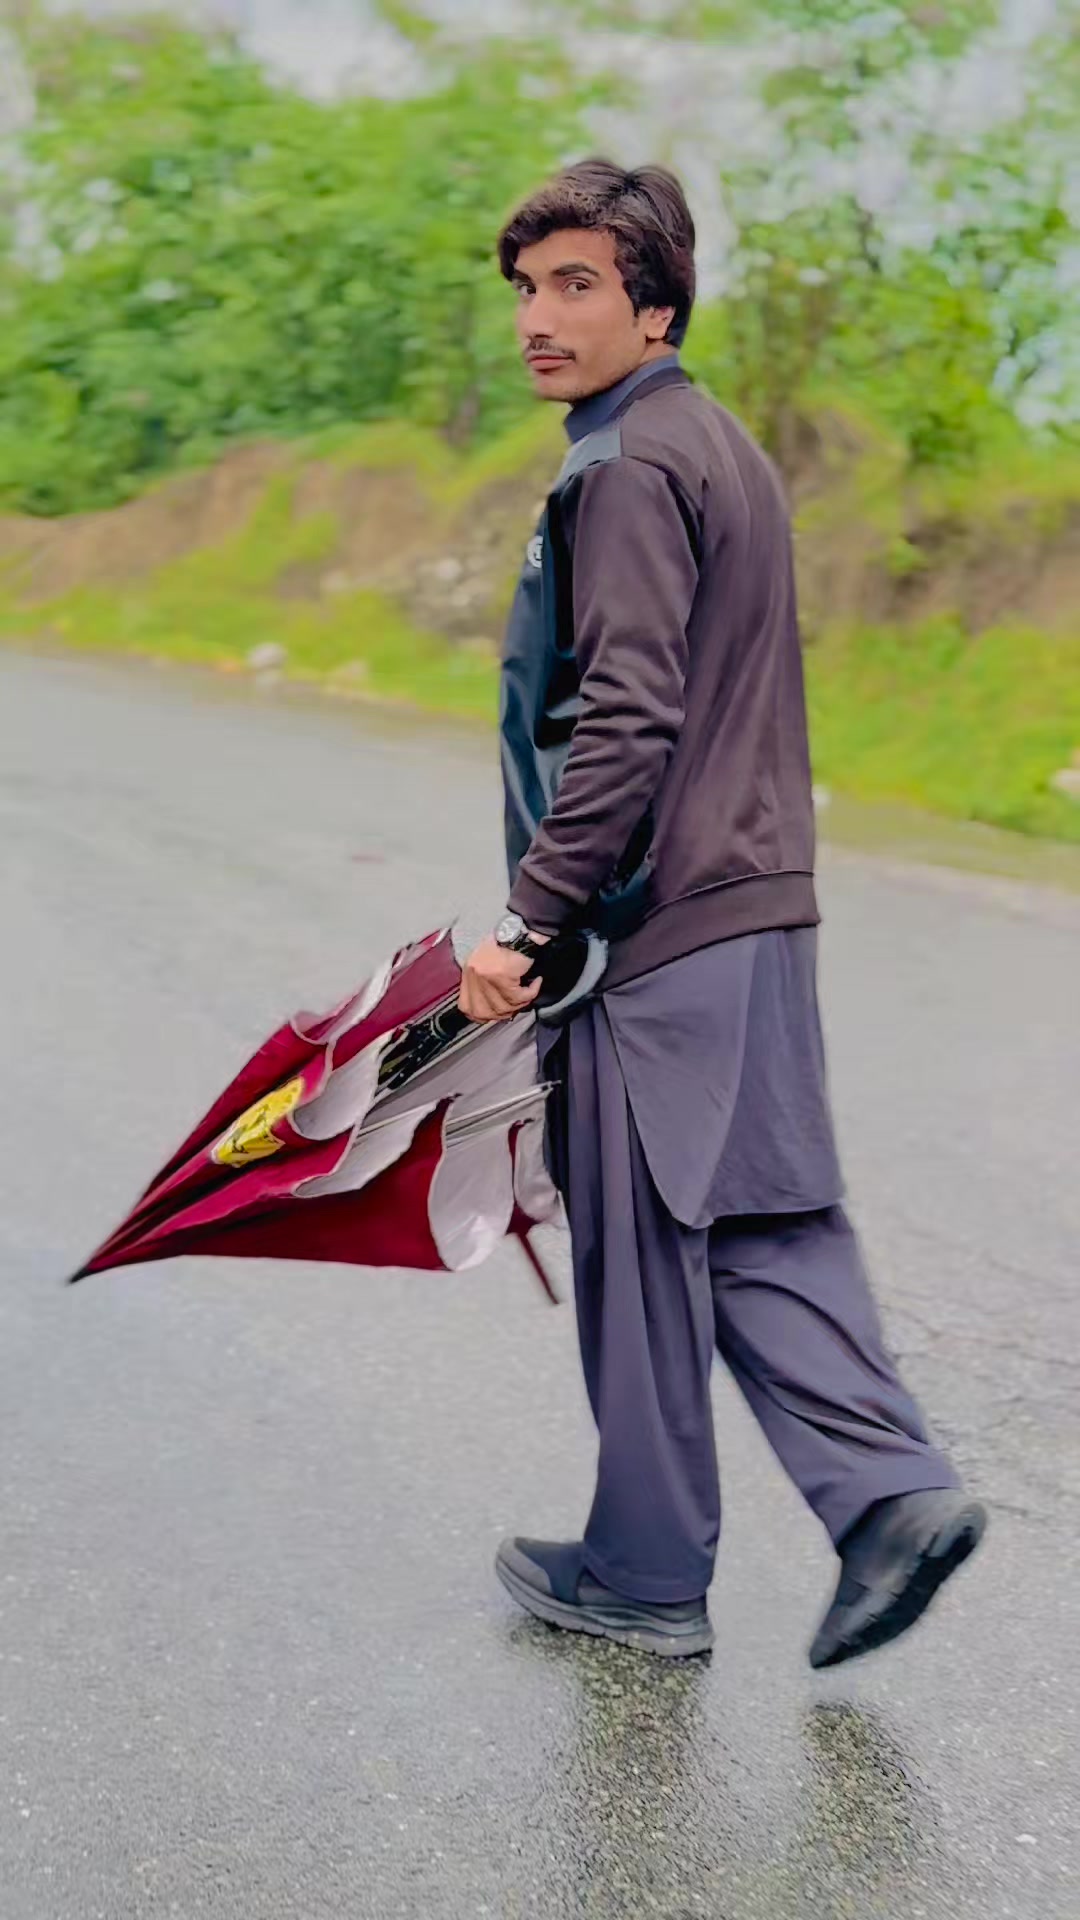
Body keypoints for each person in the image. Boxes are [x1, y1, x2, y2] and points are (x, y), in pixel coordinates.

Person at [458, 158, 986, 1665]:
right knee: (768, 1219)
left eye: (577, 285)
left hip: (658, 925)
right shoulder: (721, 446)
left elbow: (628, 712)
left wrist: (533, 918)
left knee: (640, 1247)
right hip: (759, 911)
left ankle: (643, 1572)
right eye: (527, 288)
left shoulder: (625, 466)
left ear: (657, 307)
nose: (540, 318)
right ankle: (892, 1498)